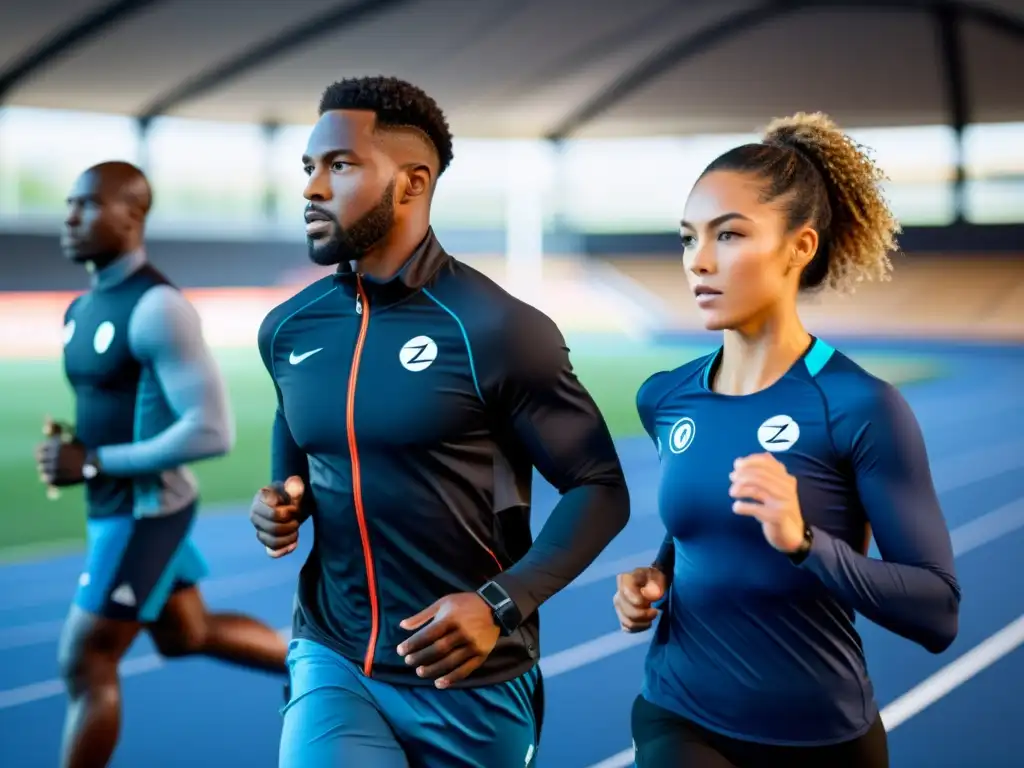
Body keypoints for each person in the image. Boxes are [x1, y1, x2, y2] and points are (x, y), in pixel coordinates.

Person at [250, 76, 630, 768]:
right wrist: (282, 497)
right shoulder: (288, 329)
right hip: (335, 658)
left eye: (339, 165)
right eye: (309, 167)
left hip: (472, 680)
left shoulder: (499, 328)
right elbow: (297, 436)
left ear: (412, 182)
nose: (311, 188)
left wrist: (499, 602)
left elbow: (600, 487)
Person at [612, 113, 961, 768]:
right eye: (689, 239)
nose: (700, 262)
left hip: (822, 738)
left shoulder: (860, 406)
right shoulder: (666, 396)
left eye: (731, 235)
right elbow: (699, 525)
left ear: (800, 248)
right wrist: (654, 578)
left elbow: (938, 612)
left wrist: (806, 543)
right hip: (679, 712)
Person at [36, 161, 289, 768]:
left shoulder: (158, 308)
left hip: (145, 513)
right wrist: (73, 452)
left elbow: (211, 430)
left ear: (132, 214)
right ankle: (316, 669)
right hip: (117, 505)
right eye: (68, 203)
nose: (70, 217)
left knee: (86, 660)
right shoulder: (81, 309)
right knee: (185, 635)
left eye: (88, 204)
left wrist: (94, 462)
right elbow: (118, 406)